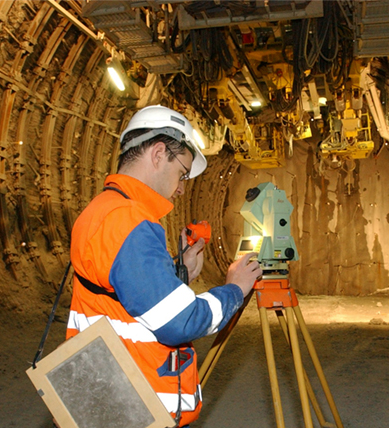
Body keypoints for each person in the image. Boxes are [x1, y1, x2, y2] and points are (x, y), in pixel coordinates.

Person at [65, 105, 261, 427]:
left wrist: (176, 271)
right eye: (182, 173)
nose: (182, 187)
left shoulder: (102, 209)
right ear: (158, 154)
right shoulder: (129, 222)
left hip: (106, 393)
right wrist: (235, 289)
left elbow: (122, 295)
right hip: (135, 404)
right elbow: (181, 321)